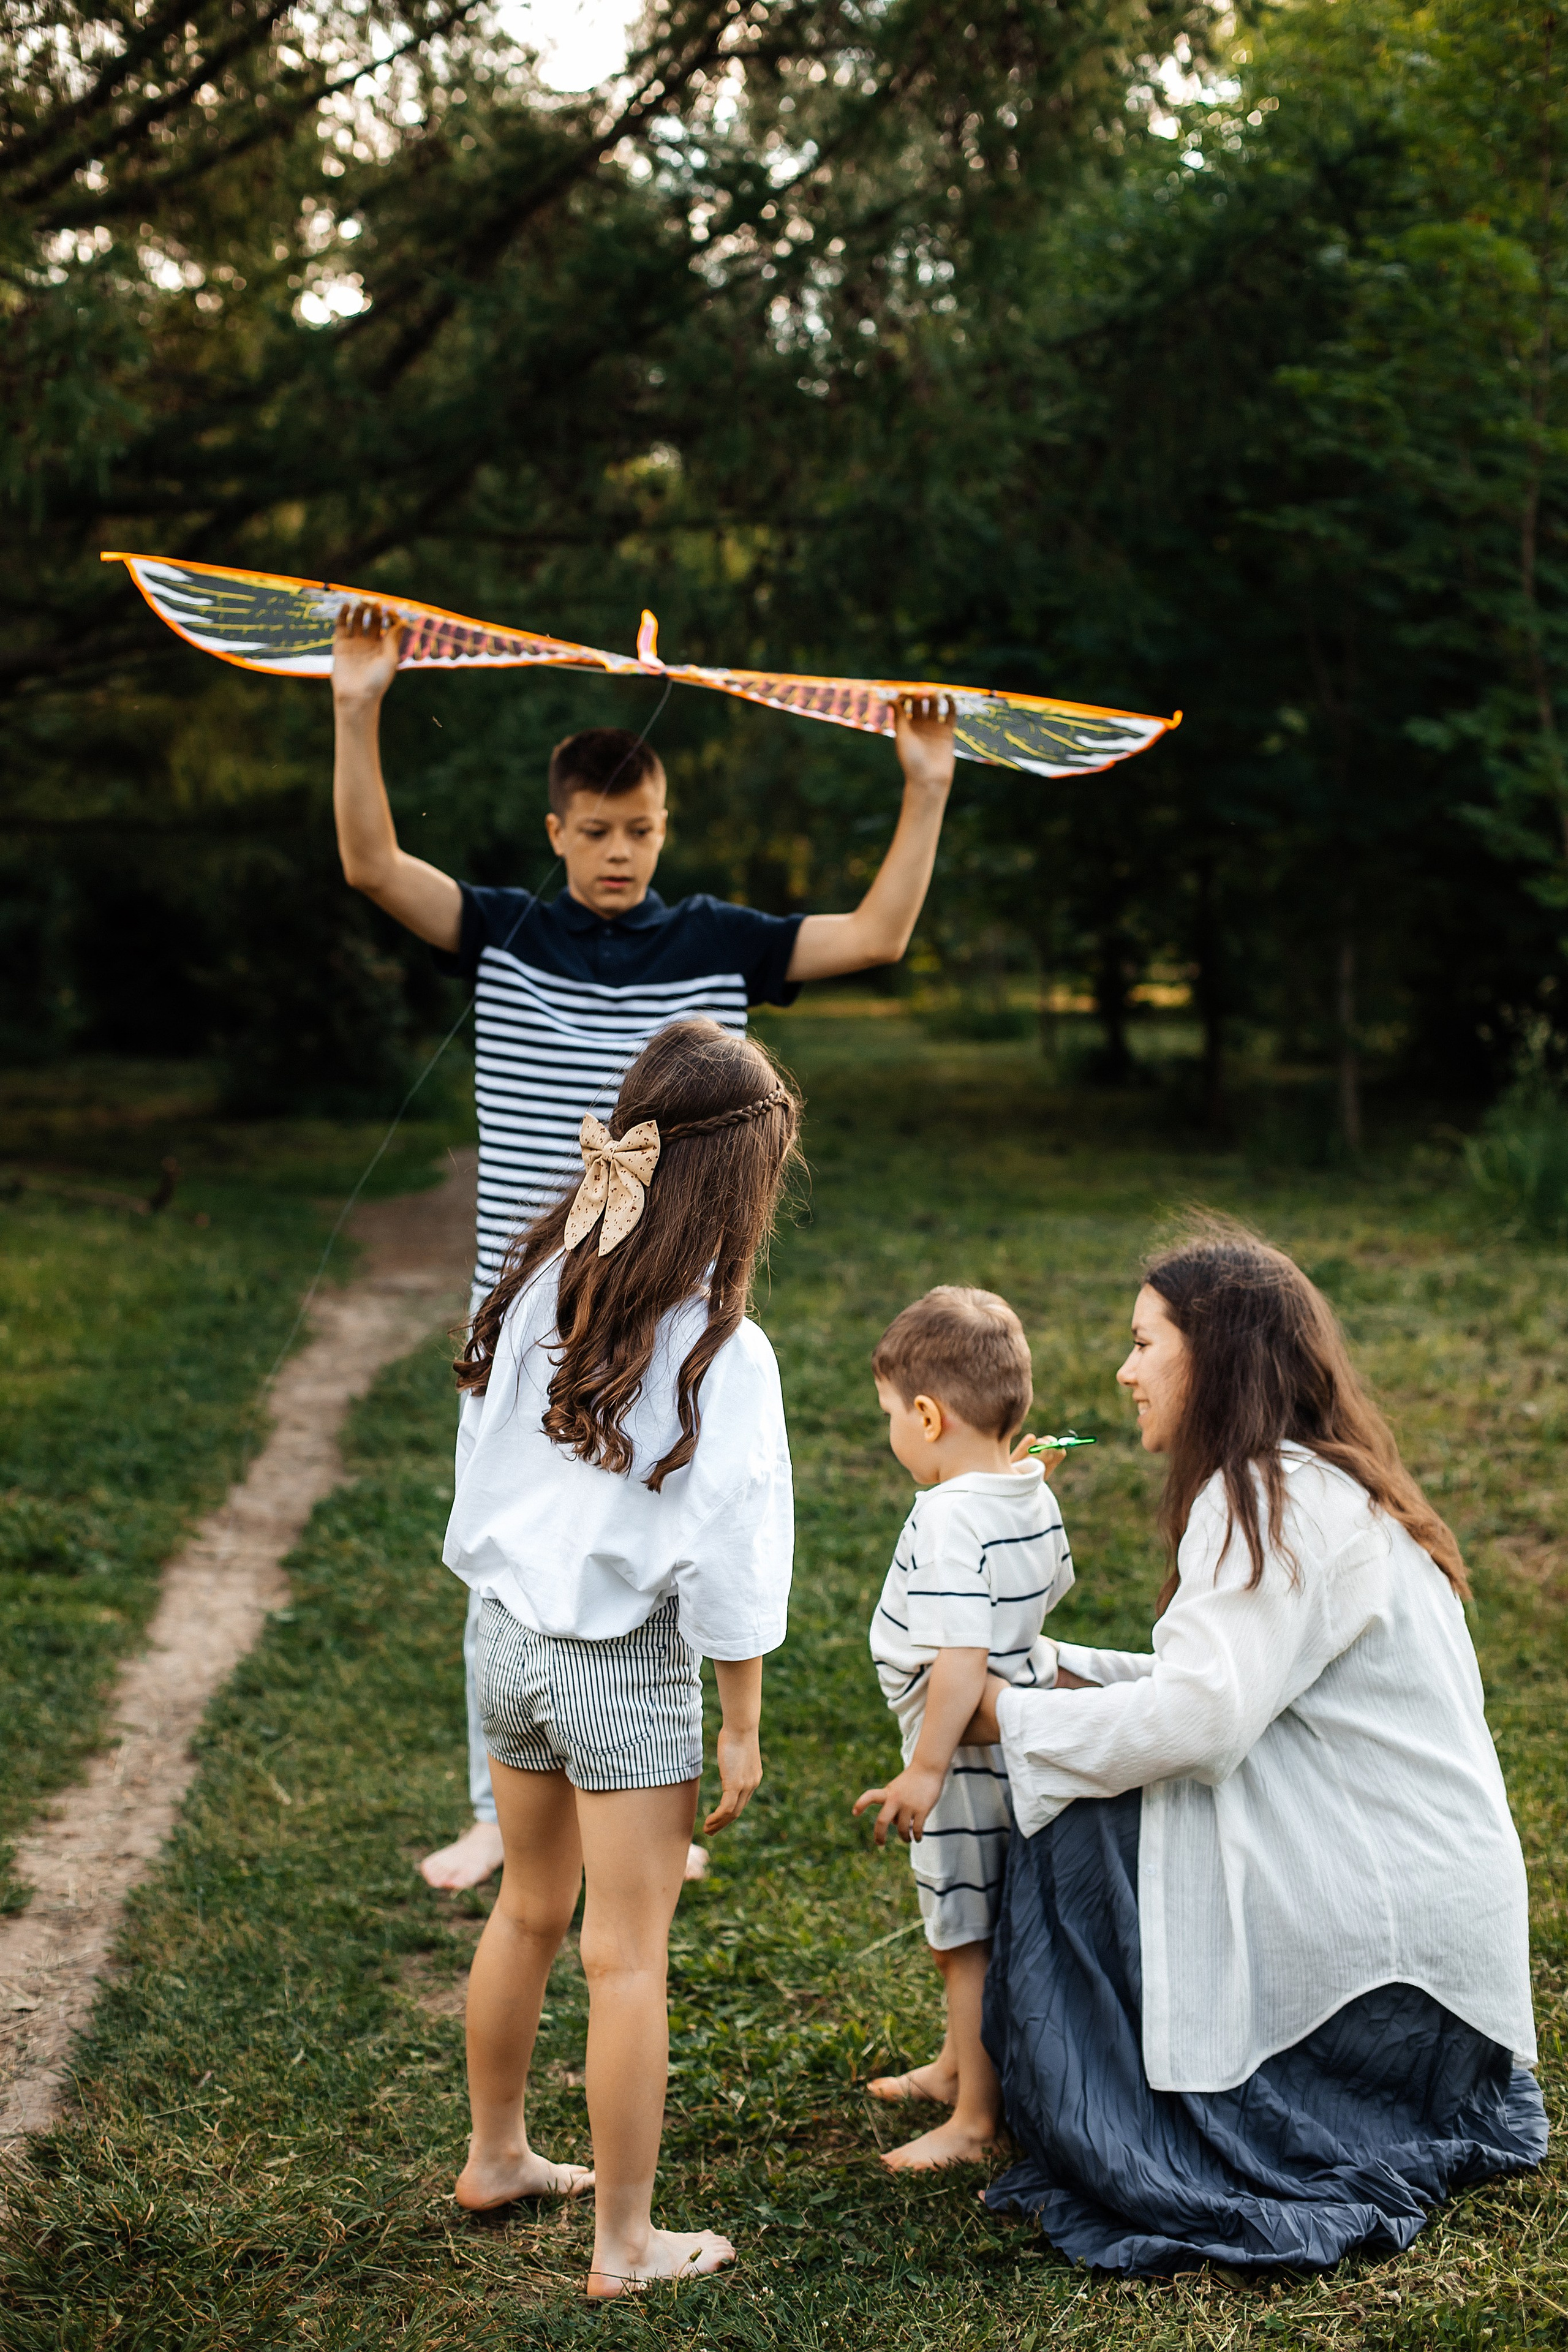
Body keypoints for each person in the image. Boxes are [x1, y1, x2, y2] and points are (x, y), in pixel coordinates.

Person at [330, 602, 957, 1891]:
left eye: (640, 832)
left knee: (665, 1521)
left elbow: (878, 936)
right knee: (504, 1537)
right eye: (596, 833)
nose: (618, 853)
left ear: (663, 831)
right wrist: (356, 703)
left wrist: (926, 786)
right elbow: (374, 866)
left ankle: (645, 1798)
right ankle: (497, 1813)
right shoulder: (506, 930)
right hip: (529, 1300)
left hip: (670, 1303)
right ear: (557, 830)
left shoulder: (715, 944)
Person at [962, 1216, 1547, 2275]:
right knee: (1087, 1758)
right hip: (1441, 1984)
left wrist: (1008, 1718)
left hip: (1383, 1984)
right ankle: (987, 2070)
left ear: (1215, 1354)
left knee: (1076, 1817)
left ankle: (1092, 2110)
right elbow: (1236, 1686)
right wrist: (1064, 1671)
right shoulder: (1321, 1485)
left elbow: (1204, 1721)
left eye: (1145, 1343)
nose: (1125, 1371)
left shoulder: (1259, 1496)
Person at [442, 1018, 798, 2295]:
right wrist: (741, 1716)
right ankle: (626, 2244)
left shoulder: (541, 1280)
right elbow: (734, 1549)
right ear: (739, 1179)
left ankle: (497, 2156)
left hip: (503, 1643)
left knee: (529, 1909)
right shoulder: (720, 1347)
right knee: (625, 1955)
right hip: (621, 1668)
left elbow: (484, 1465)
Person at [852, 1287, 1075, 2170]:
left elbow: (959, 1657)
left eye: (889, 1417)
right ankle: (955, 2065)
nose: (890, 1434)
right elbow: (1050, 1590)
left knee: (962, 1938)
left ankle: (975, 2118)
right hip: (1012, 1747)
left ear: (930, 1415)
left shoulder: (947, 1515)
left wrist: (926, 1770)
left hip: (963, 1759)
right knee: (982, 1916)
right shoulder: (1026, 1490)